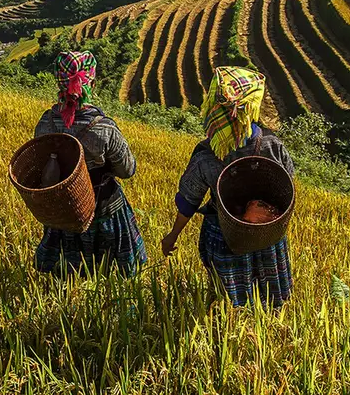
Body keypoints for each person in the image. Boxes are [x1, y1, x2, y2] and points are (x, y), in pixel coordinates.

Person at [161, 66, 296, 308]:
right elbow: (287, 188)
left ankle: (227, 330)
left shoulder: (206, 157)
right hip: (266, 235)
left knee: (228, 301)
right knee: (270, 298)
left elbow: (187, 202)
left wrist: (172, 236)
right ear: (253, 107)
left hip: (225, 235)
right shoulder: (273, 148)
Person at [33, 51, 148, 277]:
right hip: (103, 209)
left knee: (66, 277)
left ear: (59, 82)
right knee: (114, 275)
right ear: (92, 83)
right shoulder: (103, 129)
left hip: (64, 211)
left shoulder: (45, 124)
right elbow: (127, 169)